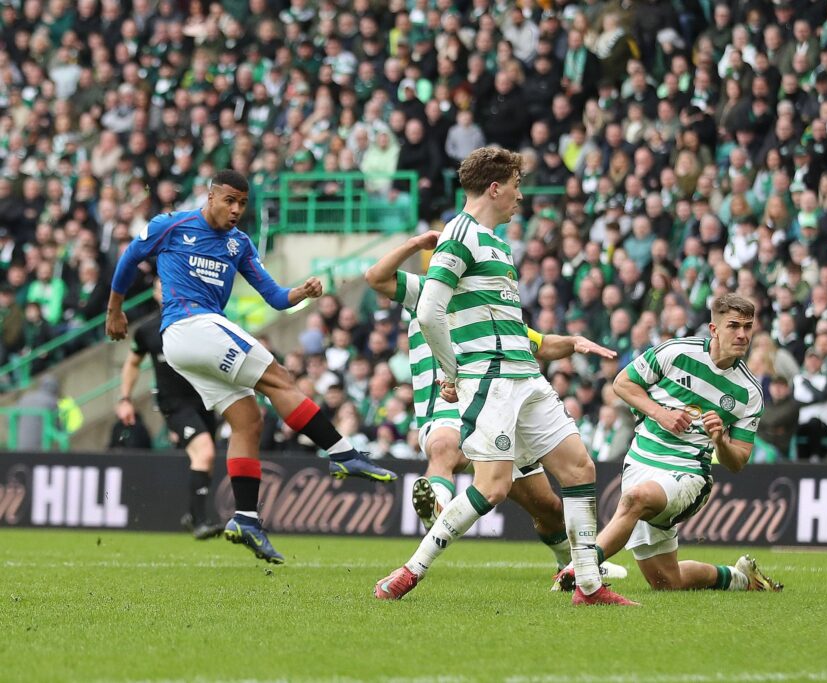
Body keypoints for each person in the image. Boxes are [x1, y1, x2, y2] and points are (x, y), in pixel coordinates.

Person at [374, 148, 635, 606]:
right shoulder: (459, 233)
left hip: (525, 377)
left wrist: (566, 342)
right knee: (492, 487)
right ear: (495, 188)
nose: (520, 195)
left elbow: (515, 329)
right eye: (516, 185)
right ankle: (409, 572)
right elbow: (430, 310)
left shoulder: (496, 243)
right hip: (491, 380)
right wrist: (453, 372)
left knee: (580, 468)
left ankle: (589, 587)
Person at [106, 170, 397, 565]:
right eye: (229, 200)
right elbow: (130, 257)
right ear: (210, 197)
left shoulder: (238, 244)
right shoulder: (171, 225)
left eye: (242, 203)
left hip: (191, 342)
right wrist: (115, 309)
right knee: (281, 378)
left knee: (248, 421)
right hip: (190, 325)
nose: (236, 210)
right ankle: (342, 452)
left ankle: (245, 518)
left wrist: (301, 292)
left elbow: (275, 297)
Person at [552, 294, 782, 593]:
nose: (742, 334)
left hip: (688, 473)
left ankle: (580, 568)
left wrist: (720, 441)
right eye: (733, 326)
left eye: (748, 327)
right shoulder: (675, 352)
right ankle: (740, 579)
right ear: (714, 329)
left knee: (635, 499)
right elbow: (622, 383)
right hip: (641, 460)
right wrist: (661, 413)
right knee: (667, 582)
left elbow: (738, 461)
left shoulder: (749, 392)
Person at [116, 276, 221, 540]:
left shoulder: (198, 323)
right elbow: (132, 363)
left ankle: (193, 515)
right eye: (160, 287)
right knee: (205, 452)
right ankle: (200, 522)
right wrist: (125, 399)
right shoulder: (148, 330)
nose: (166, 291)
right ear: (154, 294)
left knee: (206, 460)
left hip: (203, 399)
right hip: (173, 403)